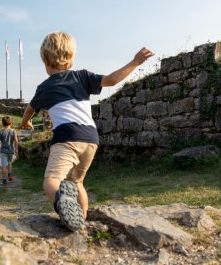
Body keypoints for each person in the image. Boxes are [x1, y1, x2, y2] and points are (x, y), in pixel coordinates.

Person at [20, 31, 154, 230]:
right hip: (91, 139)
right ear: (72, 59)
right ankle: (80, 218)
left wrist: (25, 123)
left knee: (51, 180)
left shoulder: (44, 88)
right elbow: (111, 80)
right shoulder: (82, 77)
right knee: (77, 182)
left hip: (67, 136)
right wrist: (135, 62)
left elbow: (30, 109)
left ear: (46, 61)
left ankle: (63, 202)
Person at [0, 116, 19, 186]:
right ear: (10, 123)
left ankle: (4, 181)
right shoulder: (13, 131)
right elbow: (16, 141)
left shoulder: (1, 132)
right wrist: (16, 150)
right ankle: (9, 174)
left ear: (2, 123)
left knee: (4, 166)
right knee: (9, 163)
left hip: (3, 151)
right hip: (11, 151)